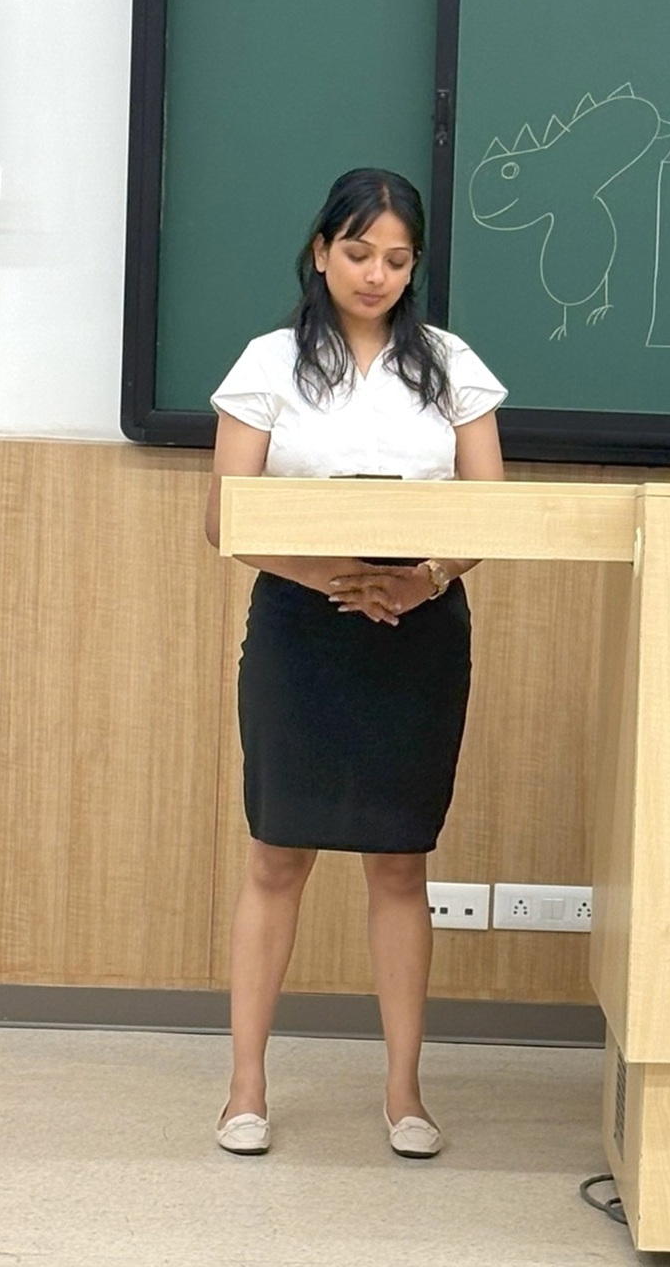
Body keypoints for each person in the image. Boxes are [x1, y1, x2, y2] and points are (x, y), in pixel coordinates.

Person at [204, 168, 506, 1161]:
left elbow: (489, 510)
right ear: (321, 250)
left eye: (397, 258)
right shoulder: (268, 361)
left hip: (419, 625)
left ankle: (405, 1092)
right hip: (302, 619)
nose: (377, 273)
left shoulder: (451, 364)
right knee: (275, 854)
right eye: (359, 252)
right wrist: (332, 577)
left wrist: (422, 579)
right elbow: (225, 513)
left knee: (400, 861)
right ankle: (245, 1088)